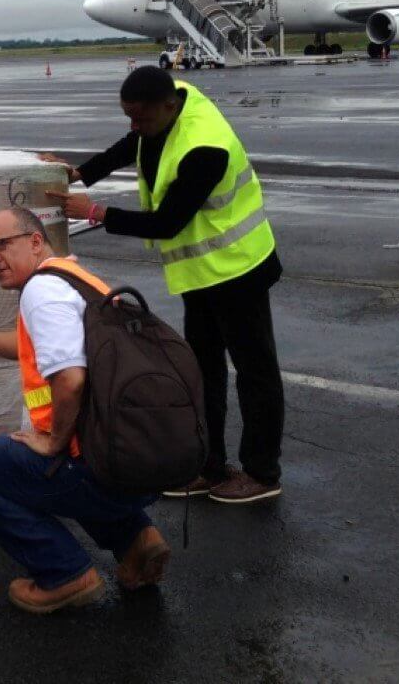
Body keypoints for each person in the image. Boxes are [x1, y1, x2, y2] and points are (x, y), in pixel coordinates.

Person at [43, 66, 284, 504]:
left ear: (169, 107)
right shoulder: (169, 103)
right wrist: (81, 173)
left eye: (141, 117)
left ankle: (262, 473)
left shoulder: (203, 147)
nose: (134, 126)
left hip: (239, 269)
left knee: (256, 375)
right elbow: (134, 143)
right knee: (203, 373)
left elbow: (168, 222)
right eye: (128, 116)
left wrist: (94, 211)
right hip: (201, 274)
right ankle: (208, 467)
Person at [0, 206, 170, 613]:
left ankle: (63, 573)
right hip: (132, 460)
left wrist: (53, 442)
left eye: (1, 245)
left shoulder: (41, 293)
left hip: (96, 468)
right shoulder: (73, 278)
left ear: (36, 241)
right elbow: (37, 348)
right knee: (59, 460)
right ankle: (136, 540)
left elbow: (70, 379)